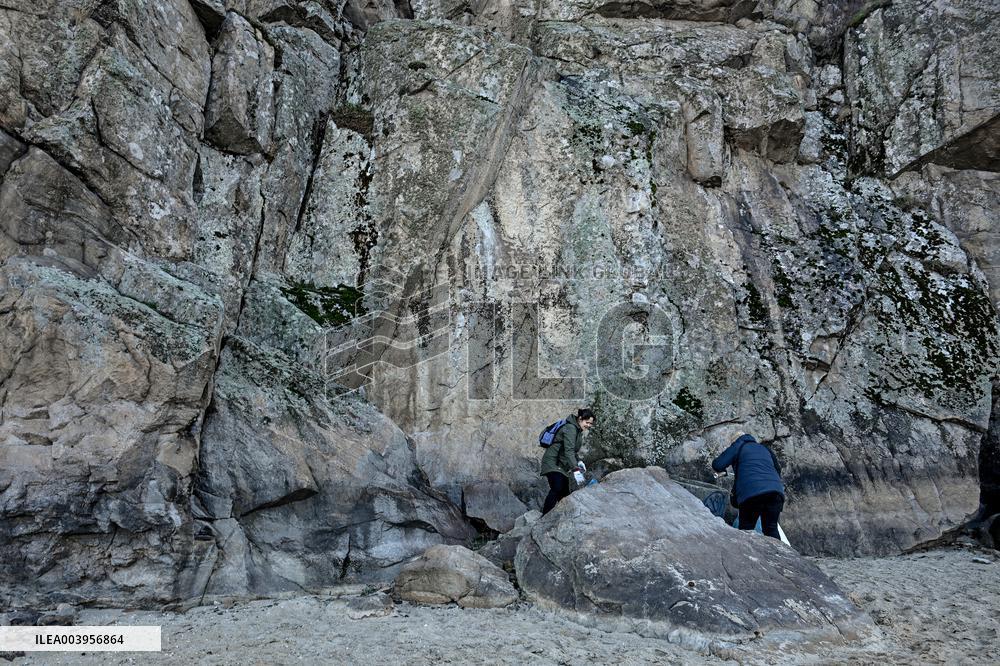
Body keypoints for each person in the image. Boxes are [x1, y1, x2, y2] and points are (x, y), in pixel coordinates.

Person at [711, 433, 784, 539]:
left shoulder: (738, 445)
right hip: (776, 492)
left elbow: (718, 464)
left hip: (752, 494)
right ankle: (780, 555)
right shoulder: (765, 448)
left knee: (746, 529)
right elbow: (777, 470)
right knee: (771, 528)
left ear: (735, 441)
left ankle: (744, 555)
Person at [540, 408, 595, 514]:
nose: (589, 425)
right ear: (580, 419)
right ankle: (545, 516)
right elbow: (568, 451)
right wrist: (575, 469)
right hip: (552, 462)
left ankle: (563, 517)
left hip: (560, 465)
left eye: (591, 423)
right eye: (587, 422)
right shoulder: (571, 428)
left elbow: (571, 451)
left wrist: (578, 461)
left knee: (565, 493)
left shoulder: (577, 430)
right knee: (557, 487)